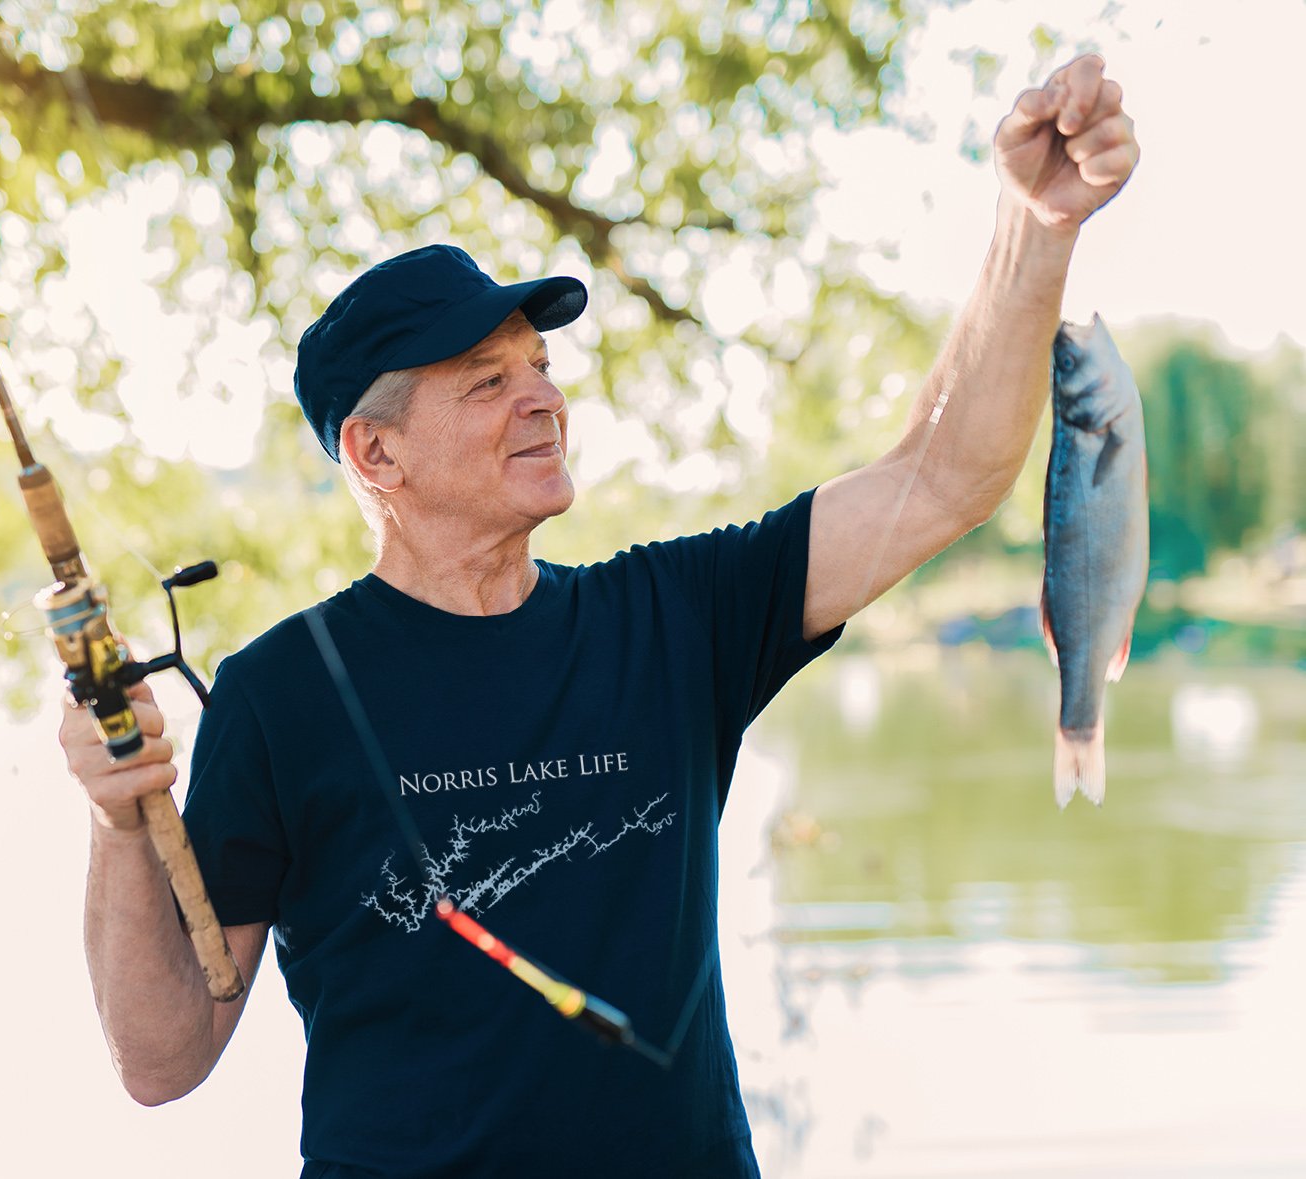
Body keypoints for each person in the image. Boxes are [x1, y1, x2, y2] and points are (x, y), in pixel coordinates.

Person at [61, 54, 1138, 1178]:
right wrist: (119, 822)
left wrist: (1033, 223)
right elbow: (162, 1057)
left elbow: (945, 474)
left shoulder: (674, 618)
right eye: (485, 381)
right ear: (375, 453)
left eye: (537, 365)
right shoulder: (278, 693)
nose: (543, 398)